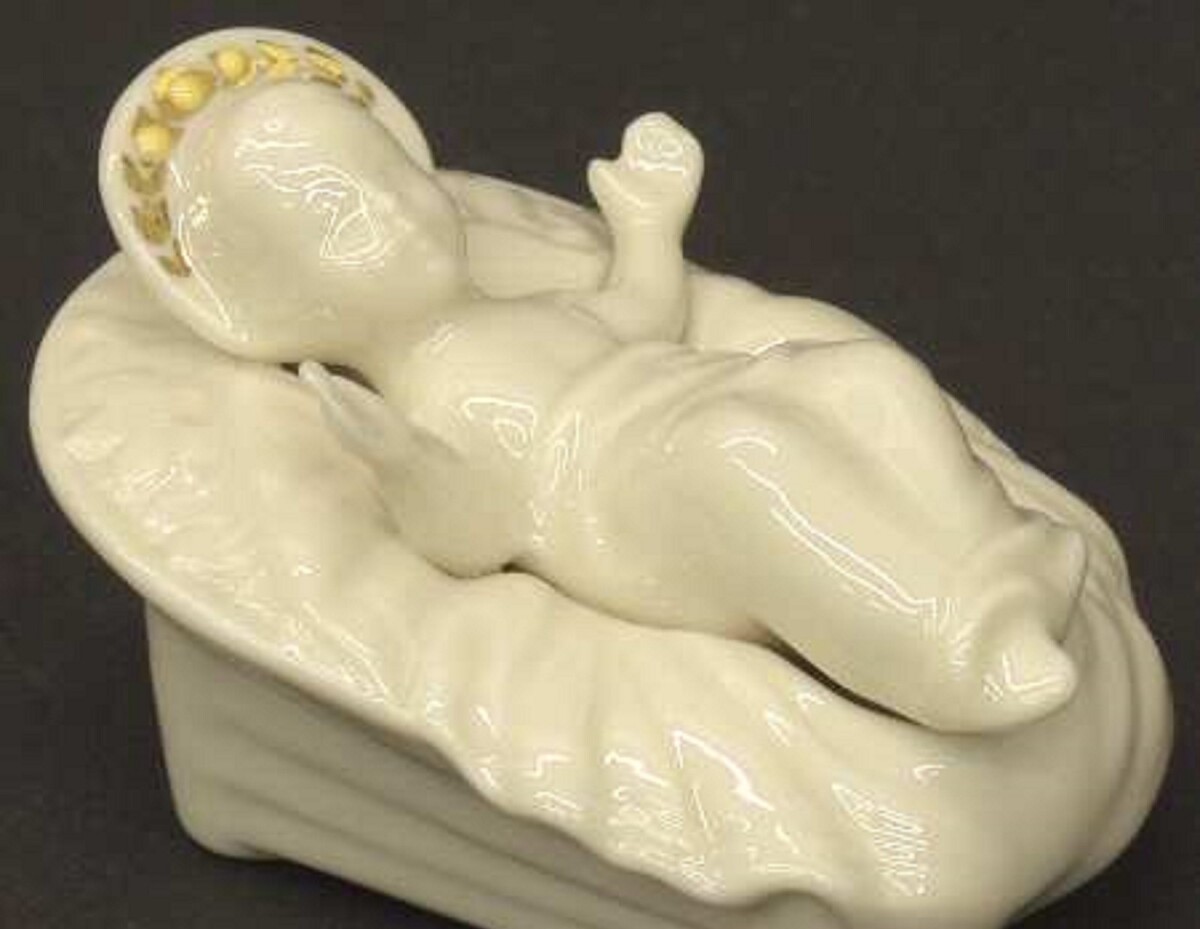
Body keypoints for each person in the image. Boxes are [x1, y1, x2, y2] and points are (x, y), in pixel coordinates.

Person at [176, 80, 1085, 734]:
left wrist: (647, 226)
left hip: (698, 402)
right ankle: (948, 654)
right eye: (339, 217)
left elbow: (639, 315)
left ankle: (1000, 558)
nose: (396, 211)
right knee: (742, 453)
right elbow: (477, 532)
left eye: (393, 177)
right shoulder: (430, 398)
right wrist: (407, 463)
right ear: (285, 307)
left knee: (867, 379)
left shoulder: (528, 313)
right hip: (625, 507)